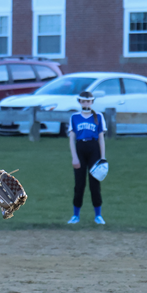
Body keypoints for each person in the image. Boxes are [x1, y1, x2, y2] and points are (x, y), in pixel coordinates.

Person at [67, 91, 107, 225]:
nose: (86, 103)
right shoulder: (74, 117)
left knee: (95, 184)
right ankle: (75, 216)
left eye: (88, 101)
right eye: (83, 101)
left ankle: (98, 216)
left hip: (93, 148)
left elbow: (101, 138)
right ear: (79, 102)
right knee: (79, 184)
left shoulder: (99, 116)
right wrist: (74, 157)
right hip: (80, 149)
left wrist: (102, 157)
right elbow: (72, 138)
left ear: (92, 102)